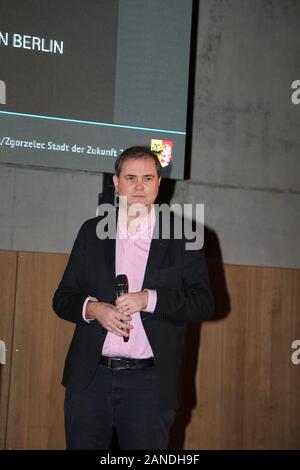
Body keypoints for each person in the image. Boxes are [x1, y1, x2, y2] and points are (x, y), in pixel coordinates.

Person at [52, 146, 214, 450]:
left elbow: (203, 303)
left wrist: (148, 300)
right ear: (116, 183)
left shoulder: (185, 236)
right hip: (90, 380)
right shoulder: (92, 232)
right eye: (130, 177)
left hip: (150, 385)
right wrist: (94, 309)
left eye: (147, 178)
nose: (139, 186)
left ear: (159, 182)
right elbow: (63, 298)